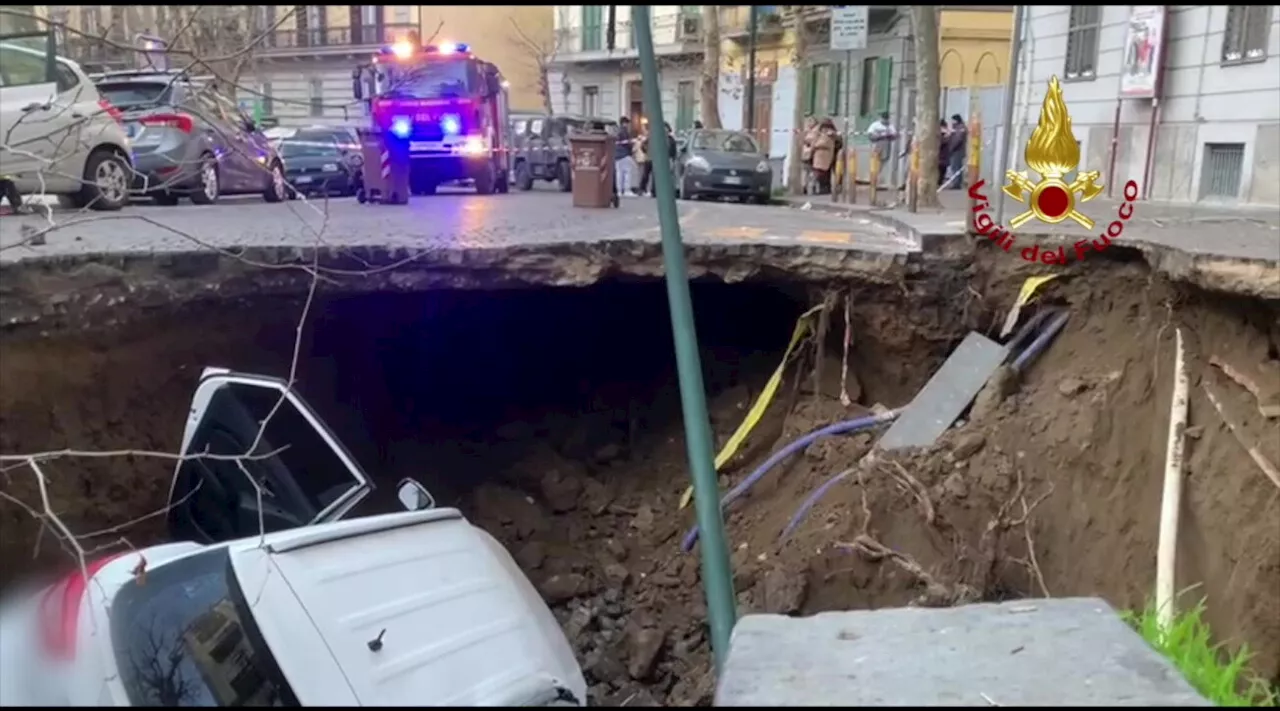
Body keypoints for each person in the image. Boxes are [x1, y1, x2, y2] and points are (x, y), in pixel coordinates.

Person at [866, 111, 897, 187]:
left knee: (882, 164)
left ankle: (878, 181)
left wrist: (888, 136)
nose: (885, 120)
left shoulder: (890, 126)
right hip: (876, 145)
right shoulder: (875, 125)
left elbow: (894, 135)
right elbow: (870, 135)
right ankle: (873, 180)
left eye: (886, 118)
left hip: (886, 145)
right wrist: (879, 136)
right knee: (875, 162)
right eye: (883, 118)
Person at [810, 119, 839, 195]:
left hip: (827, 157)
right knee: (822, 174)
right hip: (821, 157)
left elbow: (823, 143)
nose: (825, 129)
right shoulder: (818, 134)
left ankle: (825, 188)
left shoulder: (830, 135)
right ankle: (823, 188)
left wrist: (815, 145)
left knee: (823, 174)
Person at [614, 117, 637, 197]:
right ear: (624, 123)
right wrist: (632, 141)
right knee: (627, 172)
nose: (627, 125)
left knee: (619, 173)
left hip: (617, 155)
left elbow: (616, 142)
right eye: (627, 123)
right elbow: (626, 142)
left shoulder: (616, 131)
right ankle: (627, 190)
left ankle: (619, 190)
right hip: (624, 154)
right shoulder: (624, 131)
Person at [945, 114, 968, 190]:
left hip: (957, 151)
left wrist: (951, 148)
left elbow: (957, 139)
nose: (951, 122)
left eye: (952, 120)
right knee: (957, 167)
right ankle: (957, 182)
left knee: (955, 167)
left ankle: (956, 183)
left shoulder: (960, 128)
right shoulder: (958, 127)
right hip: (958, 150)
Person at [800, 117, 819, 194]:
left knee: (811, 171)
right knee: (808, 171)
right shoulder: (808, 131)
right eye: (809, 121)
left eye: (811, 121)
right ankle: (807, 186)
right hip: (807, 153)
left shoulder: (815, 131)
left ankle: (810, 186)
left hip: (811, 153)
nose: (809, 123)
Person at [634, 123, 652, 196]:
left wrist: (645, 150)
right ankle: (644, 189)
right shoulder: (649, 137)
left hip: (648, 157)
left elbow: (642, 146)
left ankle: (642, 189)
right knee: (647, 175)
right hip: (649, 158)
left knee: (645, 175)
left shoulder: (648, 137)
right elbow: (642, 146)